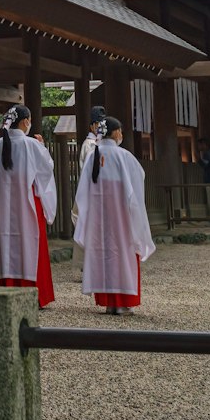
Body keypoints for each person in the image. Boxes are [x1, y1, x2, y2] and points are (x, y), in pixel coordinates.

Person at [74, 117, 155, 315]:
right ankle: (122, 303)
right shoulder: (124, 156)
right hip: (121, 219)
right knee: (122, 255)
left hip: (98, 220)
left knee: (103, 255)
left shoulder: (93, 157)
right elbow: (138, 180)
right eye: (120, 131)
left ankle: (110, 302)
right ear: (116, 133)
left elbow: (82, 194)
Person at [0, 105, 58, 307]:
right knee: (31, 245)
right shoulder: (30, 144)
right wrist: (42, 147)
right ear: (25, 122)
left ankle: (9, 293)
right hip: (28, 204)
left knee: (7, 244)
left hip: (4, 205)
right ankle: (35, 296)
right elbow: (46, 171)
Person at [71, 106, 109, 226]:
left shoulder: (99, 144)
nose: (101, 128)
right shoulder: (90, 145)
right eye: (98, 124)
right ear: (92, 126)